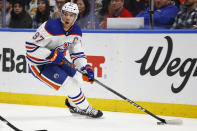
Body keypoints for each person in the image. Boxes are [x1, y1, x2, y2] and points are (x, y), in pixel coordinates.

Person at [25, 2, 103, 118]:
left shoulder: (76, 31)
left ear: (75, 17)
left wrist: (85, 68)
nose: (67, 18)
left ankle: (74, 106)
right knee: (70, 85)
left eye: (71, 15)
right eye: (65, 14)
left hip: (57, 61)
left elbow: (77, 53)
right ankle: (86, 108)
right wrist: (50, 55)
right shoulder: (49, 27)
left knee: (78, 78)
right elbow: (30, 49)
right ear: (61, 14)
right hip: (39, 65)